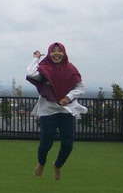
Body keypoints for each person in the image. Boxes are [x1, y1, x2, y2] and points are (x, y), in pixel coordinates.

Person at [26, 43, 86, 180]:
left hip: (66, 109)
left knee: (68, 144)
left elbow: (80, 87)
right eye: (53, 51)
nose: (56, 54)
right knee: (46, 143)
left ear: (64, 53)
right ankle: (41, 163)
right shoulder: (44, 68)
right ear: (49, 53)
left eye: (59, 51)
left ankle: (58, 165)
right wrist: (36, 58)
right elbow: (30, 73)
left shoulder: (71, 68)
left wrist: (68, 97)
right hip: (48, 109)